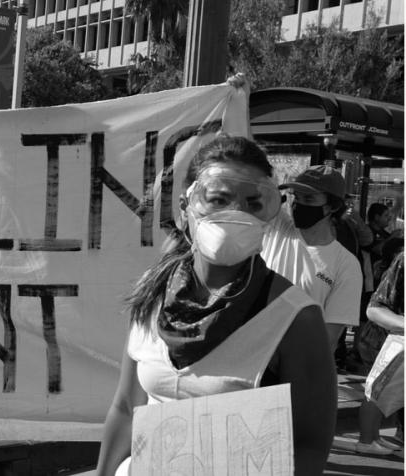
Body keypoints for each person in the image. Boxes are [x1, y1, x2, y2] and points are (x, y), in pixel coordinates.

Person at [94, 136, 335, 476]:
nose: (235, 215)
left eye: (254, 204)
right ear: (186, 206)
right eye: (218, 199)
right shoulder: (152, 293)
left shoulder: (294, 317)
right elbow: (124, 408)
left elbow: (309, 447)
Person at [261, 165, 363, 353]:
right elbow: (257, 184)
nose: (297, 205)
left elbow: (328, 339)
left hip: (290, 366)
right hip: (248, 356)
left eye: (308, 198)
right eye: (295, 197)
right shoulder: (278, 227)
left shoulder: (346, 265)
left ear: (332, 206)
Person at [355, 252, 404, 455]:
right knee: (376, 392)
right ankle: (367, 440)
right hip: (400, 340)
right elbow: (375, 308)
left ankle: (372, 438)